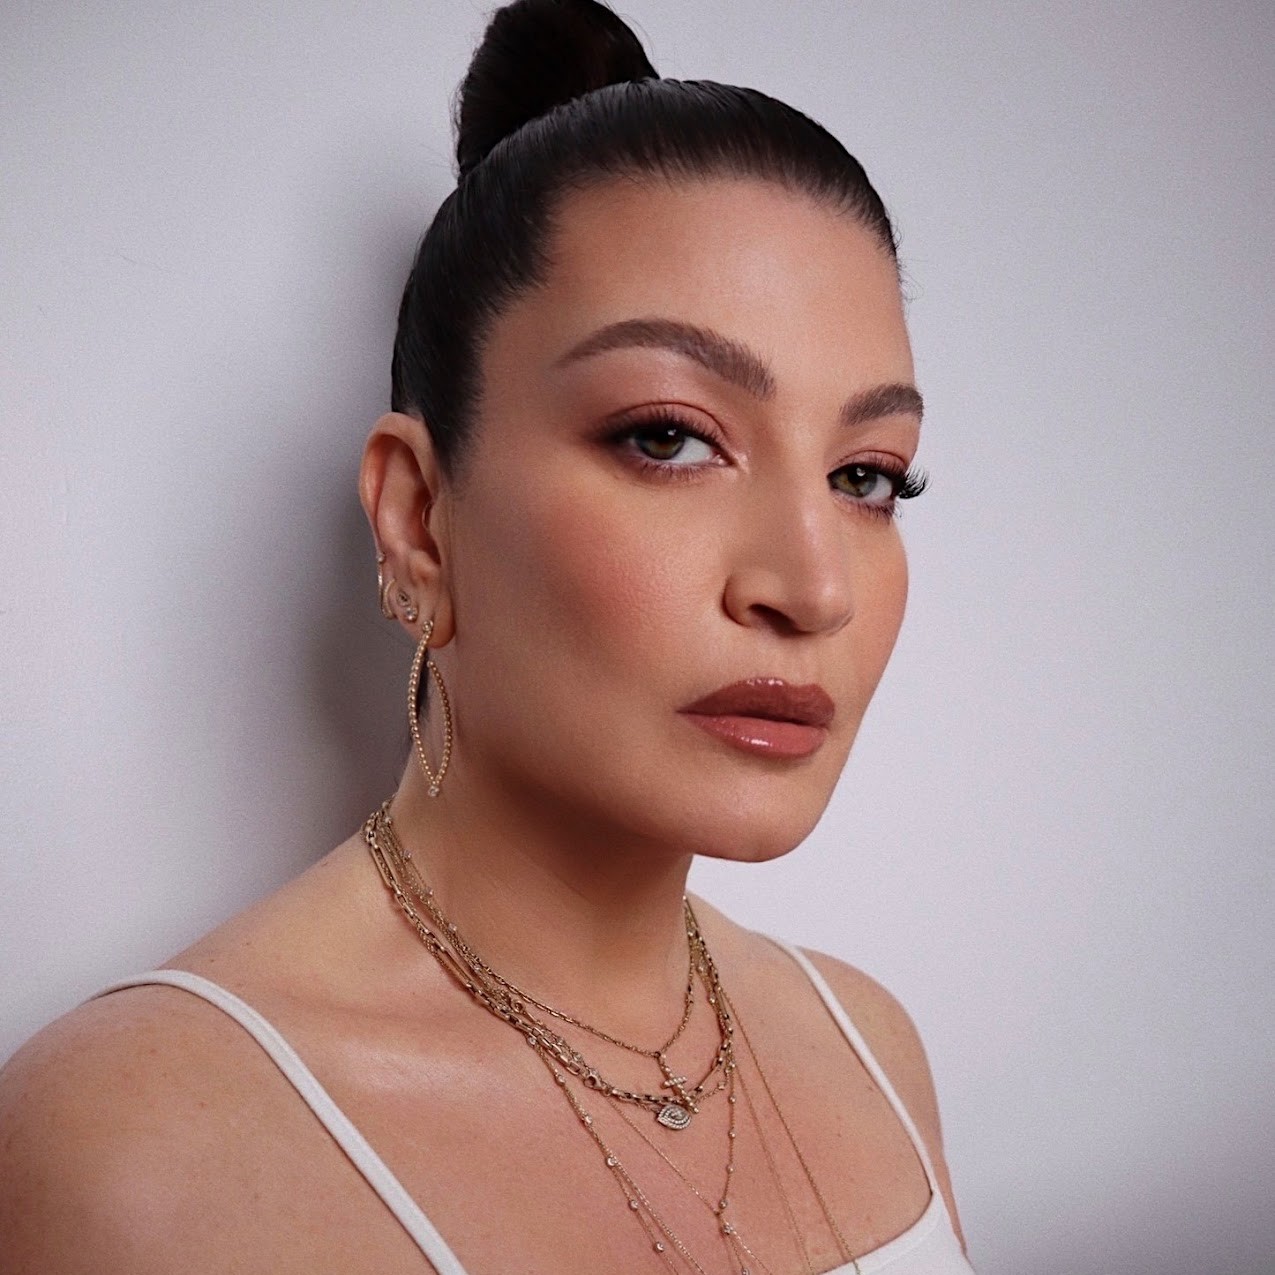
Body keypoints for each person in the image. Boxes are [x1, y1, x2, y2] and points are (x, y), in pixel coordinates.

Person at [0, 2, 972, 1271]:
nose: (814, 586)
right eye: (668, 437)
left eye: (867, 476)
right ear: (418, 520)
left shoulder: (874, 1049)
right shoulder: (133, 1155)